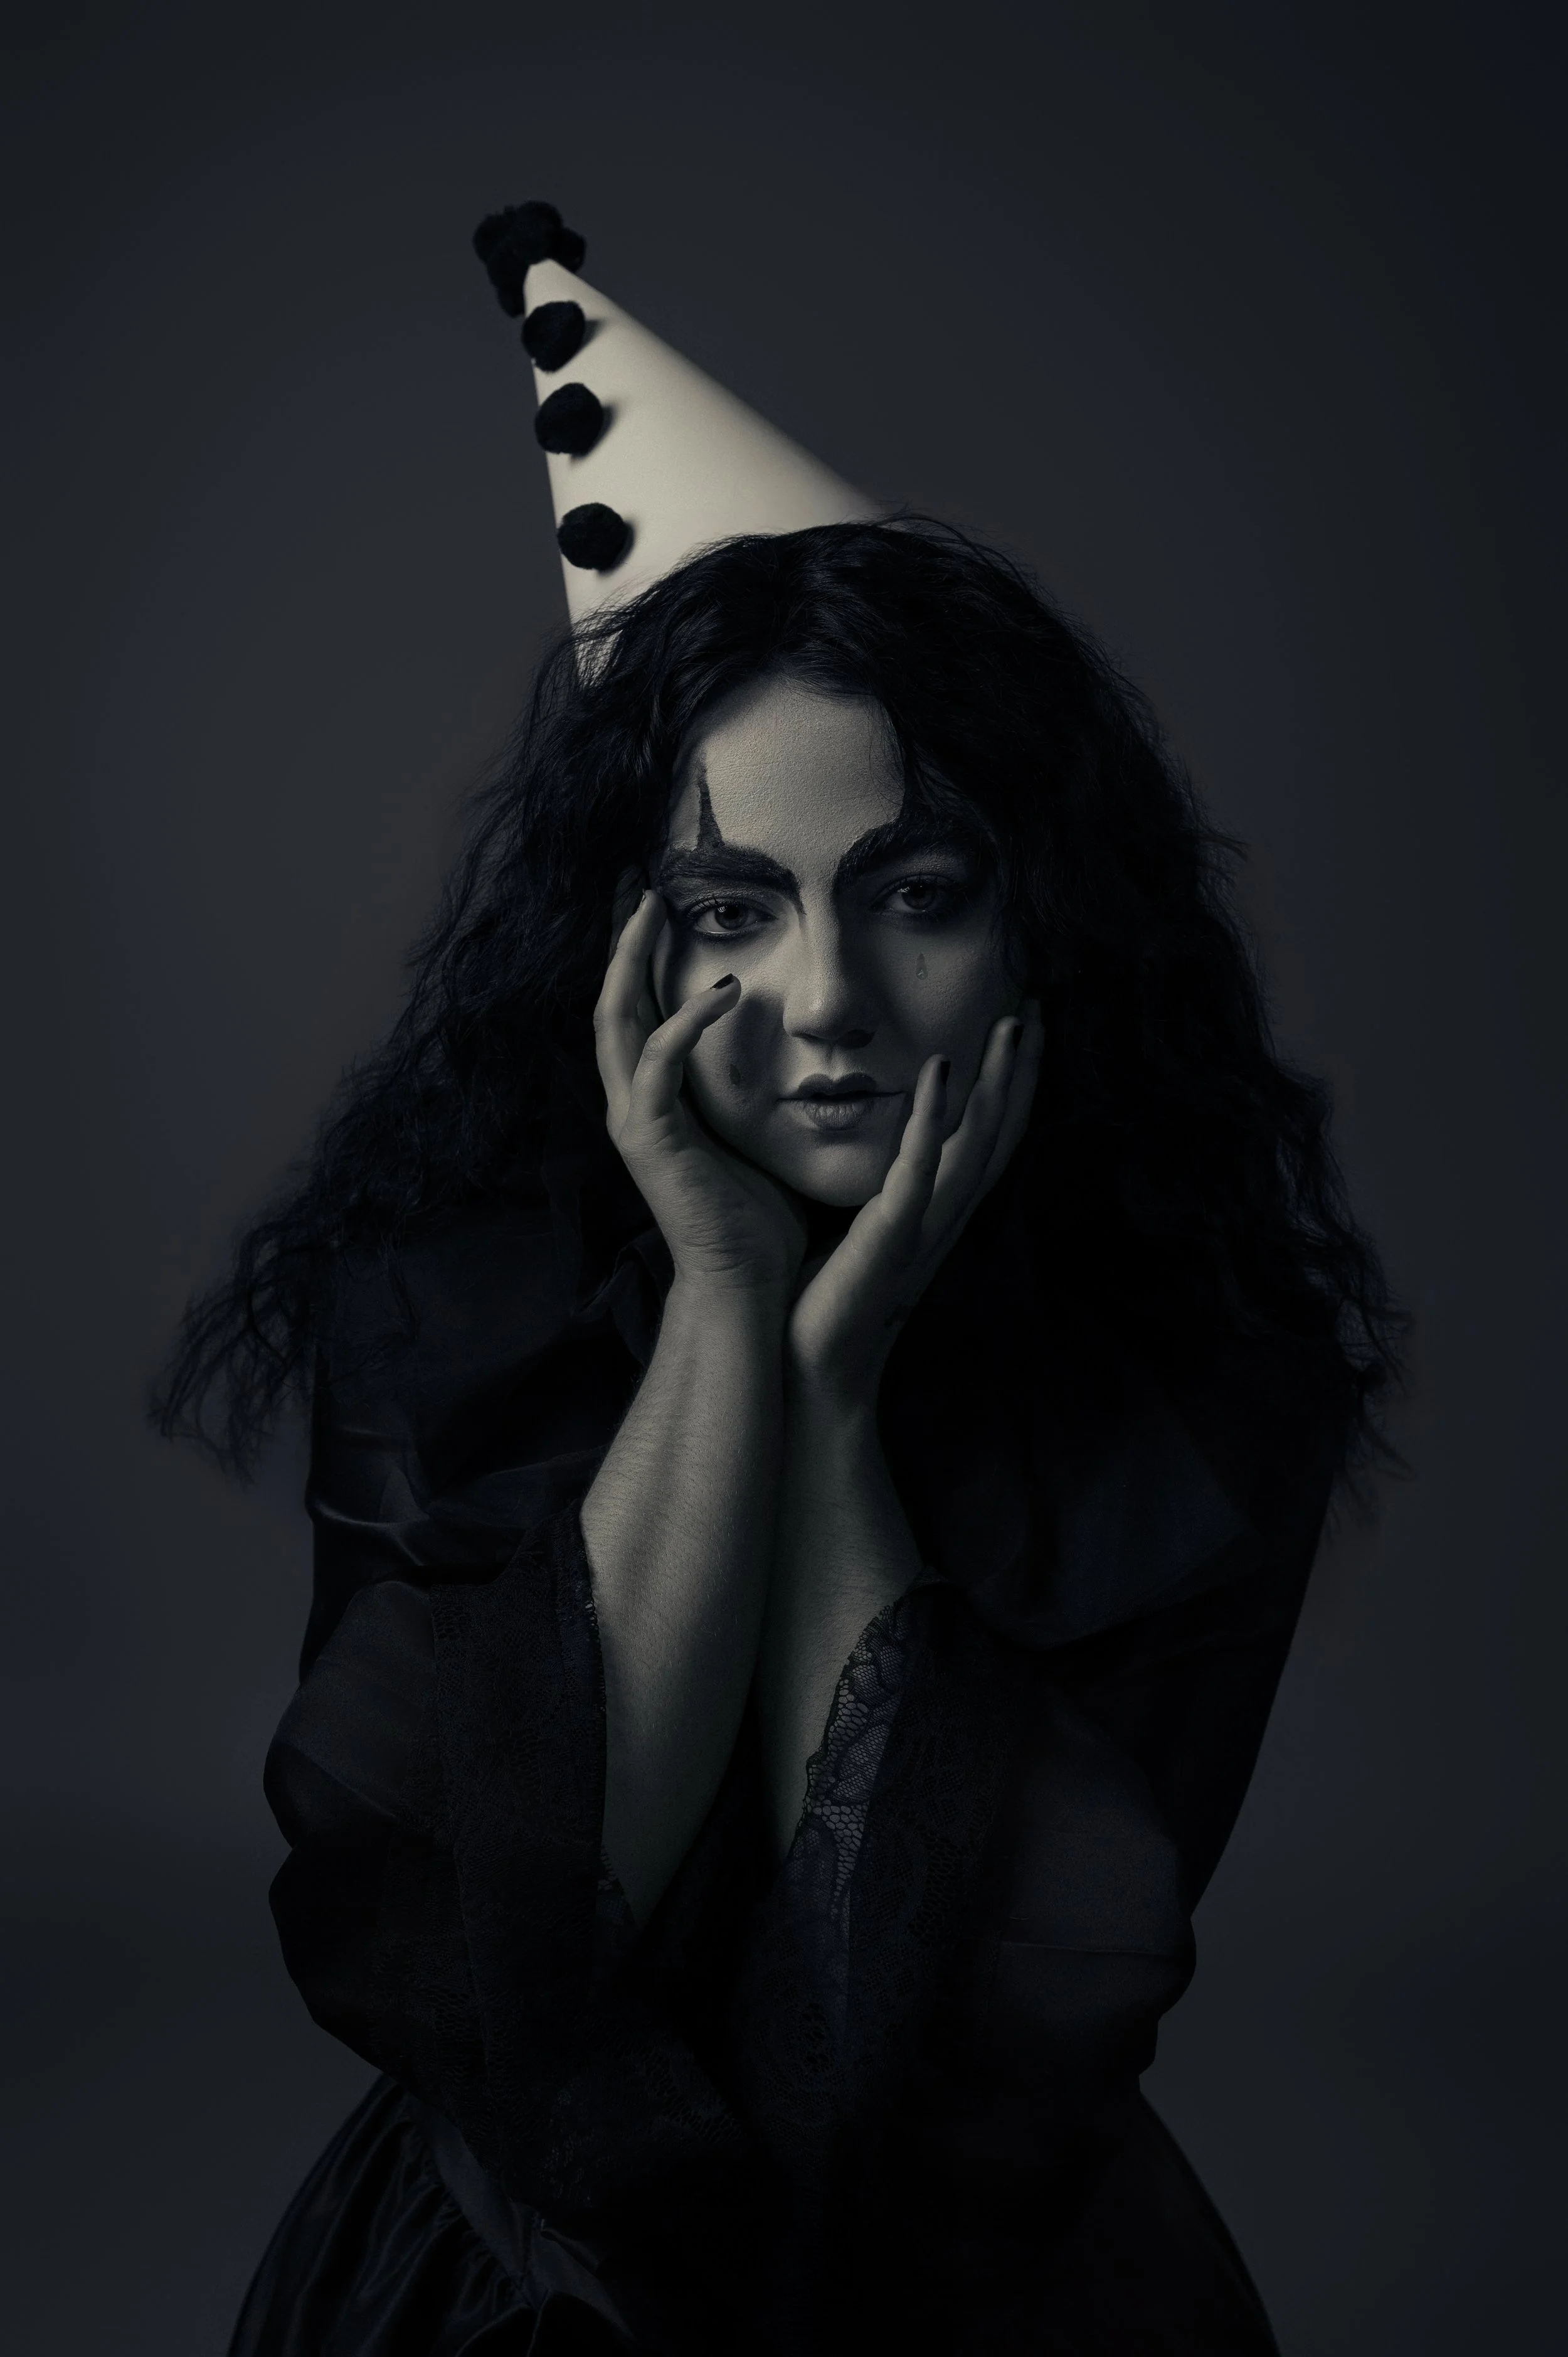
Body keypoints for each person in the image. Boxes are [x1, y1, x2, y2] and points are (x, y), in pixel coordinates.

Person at [158, 216, 1401, 2357]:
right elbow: (505, 1959)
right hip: (506, 2284)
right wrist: (732, 1310)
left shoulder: (1210, 1404)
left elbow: (905, 2045)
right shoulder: (444, 1321)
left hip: (989, 2270)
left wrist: (836, 1417)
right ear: (625, 949)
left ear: (1040, 924)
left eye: (911, 891)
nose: (824, 1001)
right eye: (732, 909)